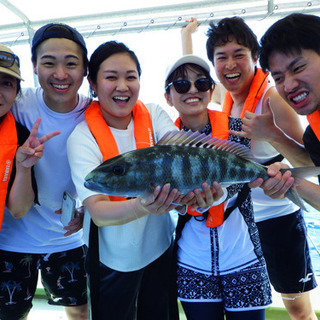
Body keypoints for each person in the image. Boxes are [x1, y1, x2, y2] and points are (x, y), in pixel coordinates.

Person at [203, 16, 317, 320]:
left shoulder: (274, 99)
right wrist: (187, 34)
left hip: (278, 220)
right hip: (239, 223)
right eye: (221, 58)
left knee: (298, 309)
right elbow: (195, 84)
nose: (230, 65)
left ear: (255, 58)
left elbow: (309, 161)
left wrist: (271, 137)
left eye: (239, 55)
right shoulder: (226, 99)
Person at [164, 54, 272, 320]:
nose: (192, 90)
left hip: (244, 256)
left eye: (201, 83)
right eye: (181, 85)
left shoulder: (237, 129)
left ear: (211, 90)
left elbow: (243, 179)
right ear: (168, 97)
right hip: (191, 262)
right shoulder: (162, 141)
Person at [0, 23, 91, 320]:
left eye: (71, 63)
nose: (61, 74)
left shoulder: (96, 113)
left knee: (79, 311)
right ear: (35, 67)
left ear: (85, 69)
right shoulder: (15, 103)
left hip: (67, 238)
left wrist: (88, 211)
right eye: (49, 63)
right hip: (12, 239)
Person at [0, 43, 59, 228]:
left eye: (7, 84)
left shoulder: (20, 136)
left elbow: (19, 210)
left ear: (16, 92)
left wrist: (23, 167)